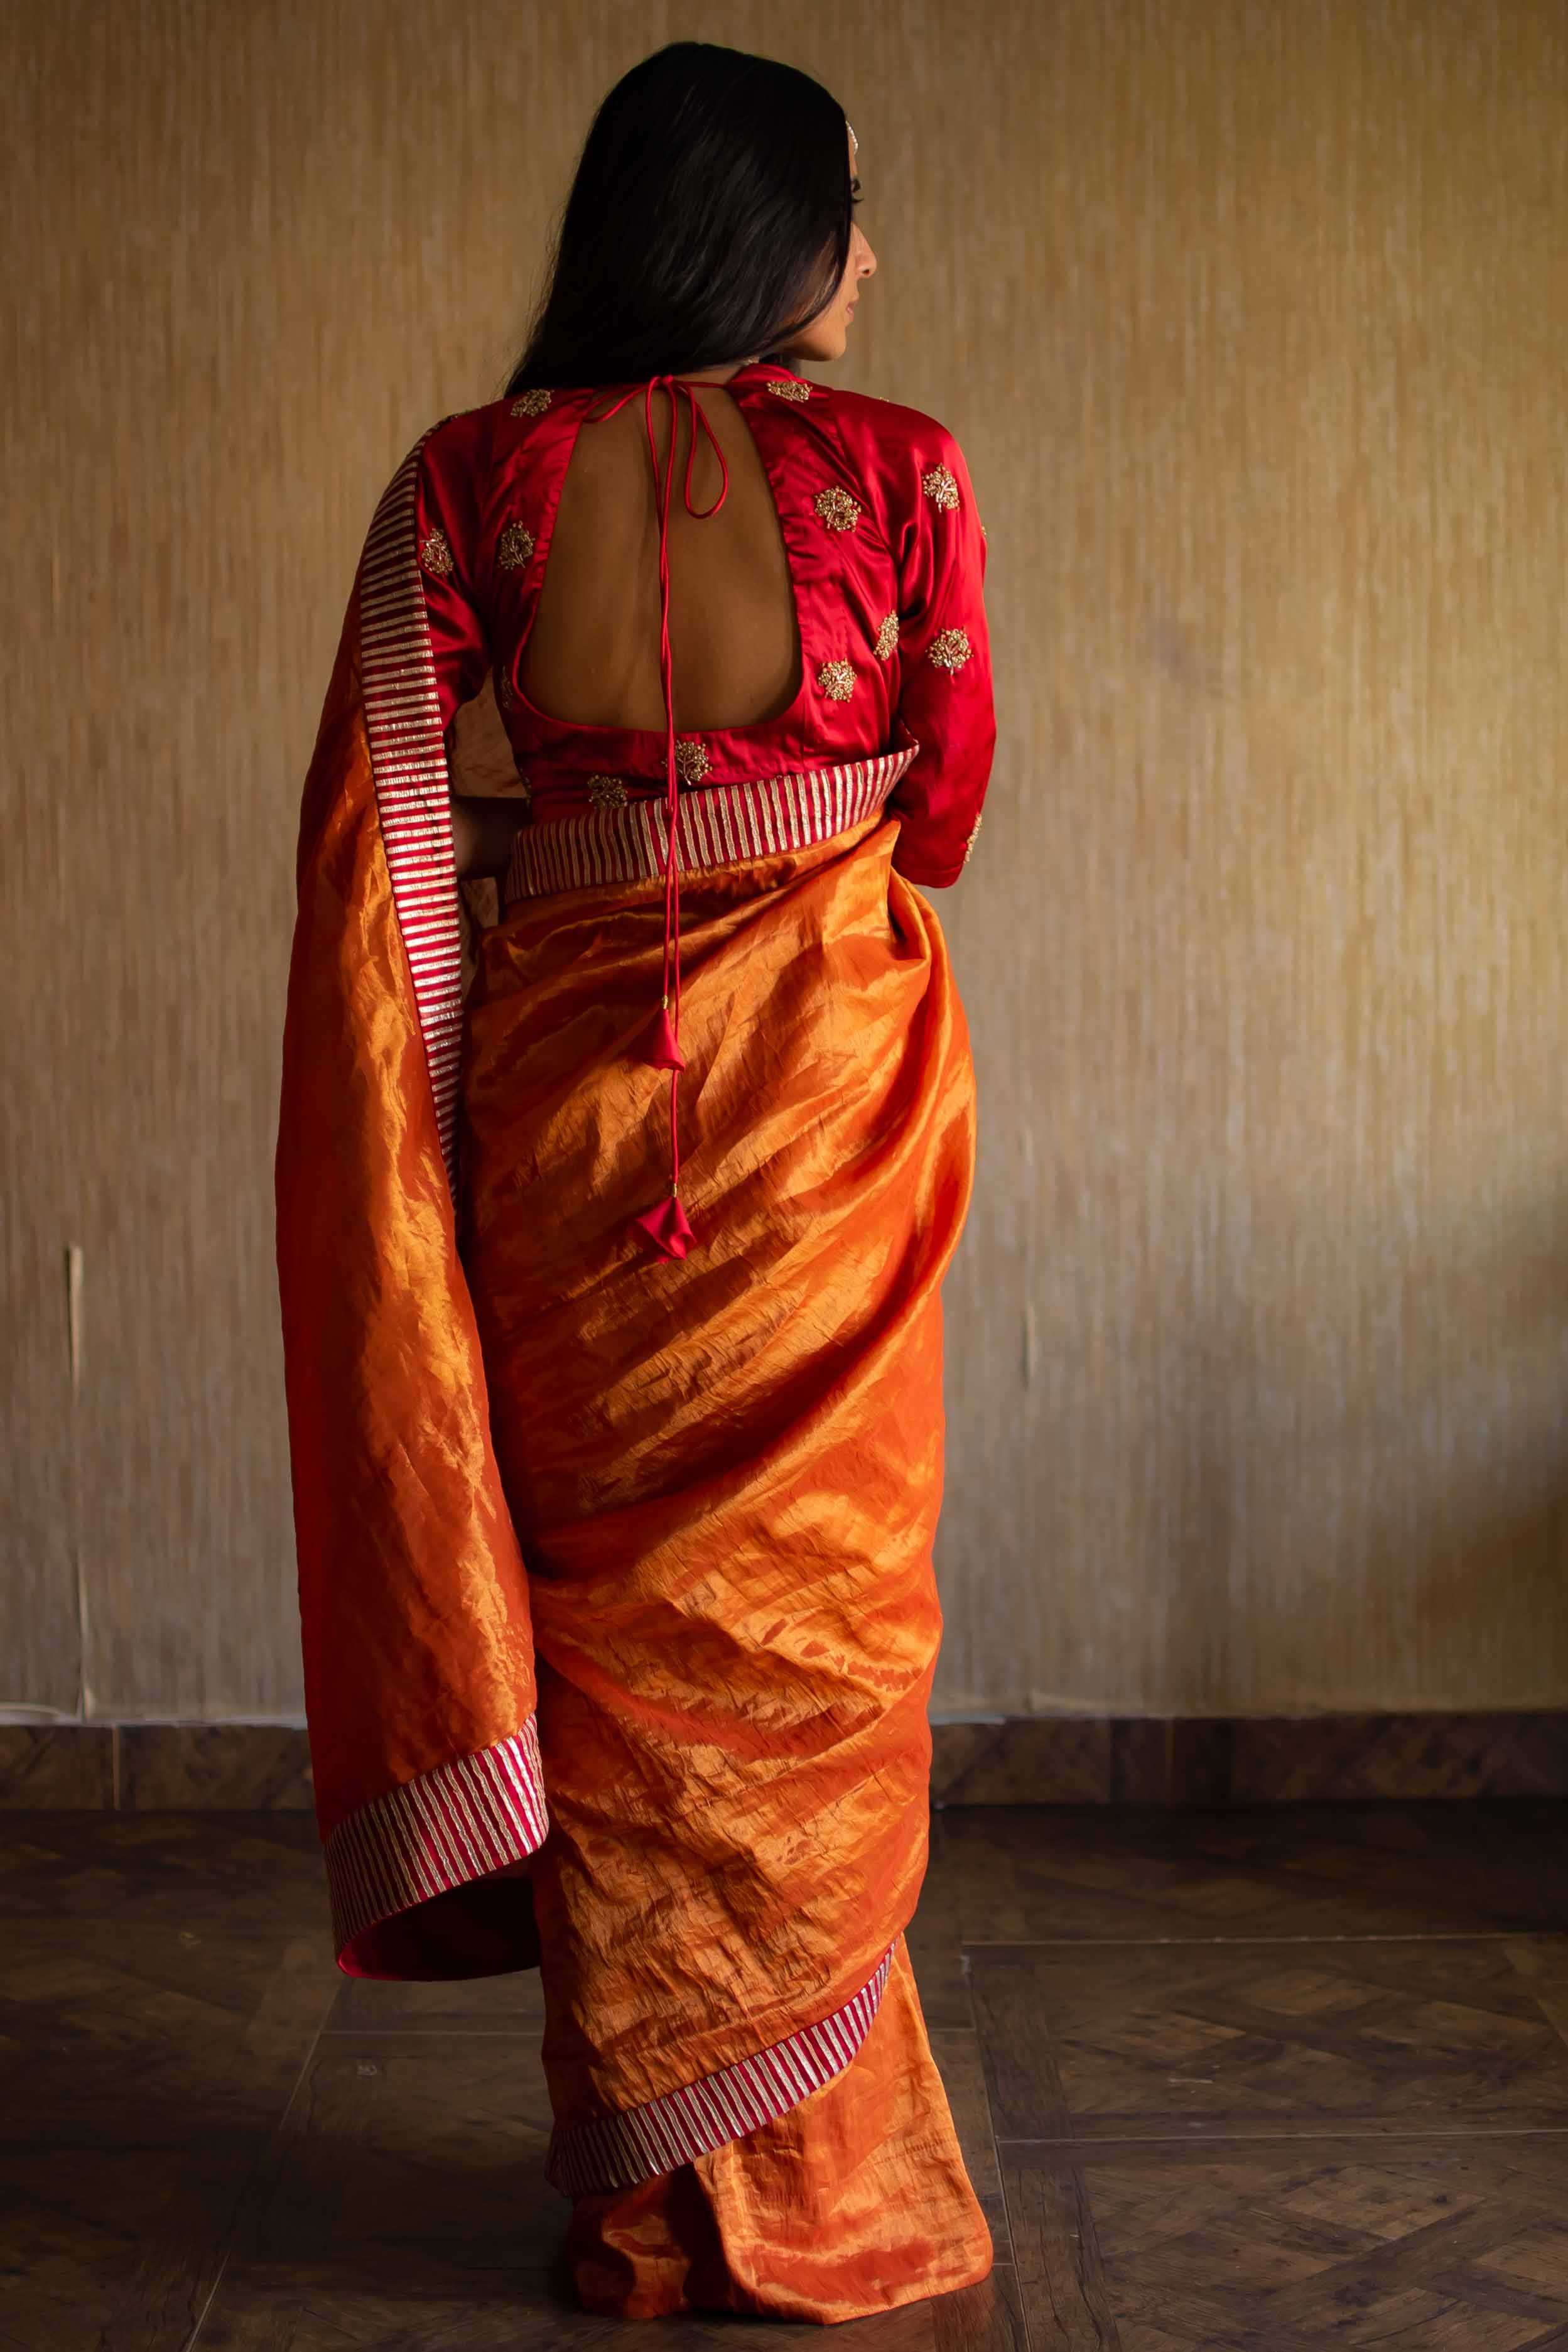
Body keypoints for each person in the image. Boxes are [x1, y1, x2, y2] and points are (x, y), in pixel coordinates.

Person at [274, 38, 996, 2325]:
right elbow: (946, 797)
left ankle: (637, 2203)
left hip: (574, 1155)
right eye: (843, 211)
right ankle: (811, 2185)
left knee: (616, 1667)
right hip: (819, 1141)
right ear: (750, 228)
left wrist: (575, 857)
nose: (868, 256)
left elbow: (396, 831)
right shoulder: (900, 473)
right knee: (815, 1642)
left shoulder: (468, 481)